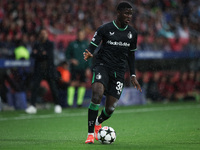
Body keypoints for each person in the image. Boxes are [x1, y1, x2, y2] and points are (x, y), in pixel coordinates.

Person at [83, 2, 142, 144]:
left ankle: (98, 122)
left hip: (119, 72)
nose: (129, 16)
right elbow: (94, 43)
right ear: (118, 13)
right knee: (96, 95)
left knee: (109, 108)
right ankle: (90, 134)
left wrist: (133, 75)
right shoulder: (105, 28)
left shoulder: (132, 33)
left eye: (130, 14)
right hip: (102, 66)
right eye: (126, 13)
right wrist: (90, 52)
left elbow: (131, 55)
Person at [25, 29, 62, 114]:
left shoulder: (50, 44)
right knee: (34, 88)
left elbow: (48, 55)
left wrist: (38, 53)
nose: (43, 35)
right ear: (39, 35)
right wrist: (42, 54)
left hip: (48, 69)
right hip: (39, 69)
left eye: (45, 33)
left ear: (47, 34)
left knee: (53, 88)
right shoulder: (37, 44)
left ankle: (57, 105)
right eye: (42, 33)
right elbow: (33, 55)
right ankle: (32, 106)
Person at [65, 29, 91, 107]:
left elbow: (90, 57)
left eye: (82, 35)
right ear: (77, 35)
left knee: (82, 84)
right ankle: (69, 103)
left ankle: (79, 103)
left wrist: (88, 68)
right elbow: (67, 55)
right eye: (79, 34)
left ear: (84, 35)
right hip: (74, 68)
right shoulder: (72, 44)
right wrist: (71, 60)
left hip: (83, 67)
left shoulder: (86, 44)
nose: (80, 36)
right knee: (72, 83)